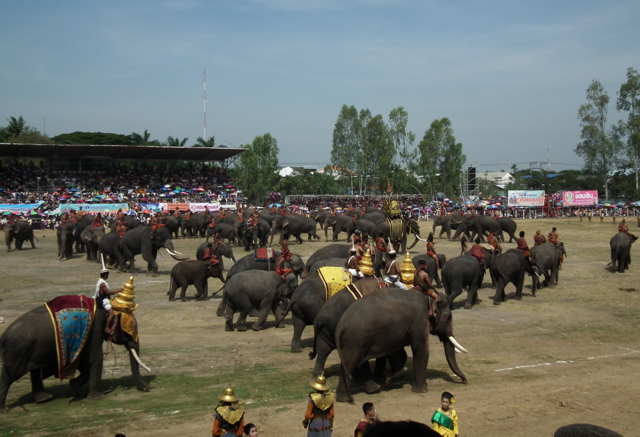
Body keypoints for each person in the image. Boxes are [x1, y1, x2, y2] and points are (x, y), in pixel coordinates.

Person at [94, 268, 123, 334]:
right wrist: (117, 291)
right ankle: (107, 327)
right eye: (107, 275)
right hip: (103, 300)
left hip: (102, 298)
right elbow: (107, 292)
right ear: (105, 275)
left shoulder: (100, 281)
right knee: (112, 313)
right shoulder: (102, 284)